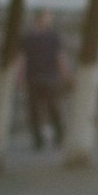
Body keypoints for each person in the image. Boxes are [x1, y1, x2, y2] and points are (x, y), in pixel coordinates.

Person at [20, 10, 66, 150]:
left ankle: (59, 135)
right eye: (44, 19)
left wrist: (65, 75)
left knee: (53, 108)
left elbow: (60, 57)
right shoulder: (28, 38)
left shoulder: (53, 37)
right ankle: (38, 139)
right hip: (33, 77)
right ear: (37, 20)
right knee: (34, 110)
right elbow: (22, 59)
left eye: (48, 19)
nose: (46, 22)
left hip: (50, 77)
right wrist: (21, 78)